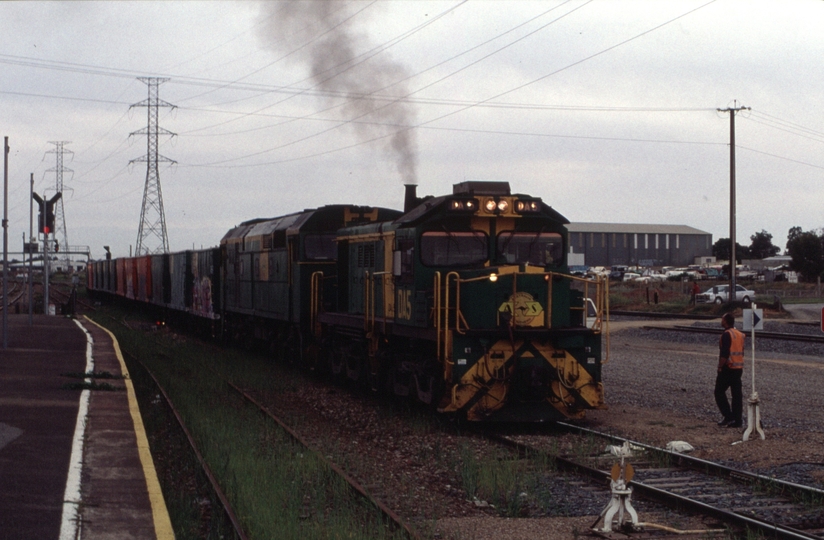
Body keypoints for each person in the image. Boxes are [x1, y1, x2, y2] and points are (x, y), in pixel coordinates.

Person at [715, 312, 744, 427]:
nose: (721, 321)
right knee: (737, 395)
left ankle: (728, 416)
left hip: (728, 368)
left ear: (726, 321)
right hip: (739, 368)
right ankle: (738, 420)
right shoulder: (740, 334)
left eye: (722, 319)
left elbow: (725, 353)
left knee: (719, 392)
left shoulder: (727, 334)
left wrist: (720, 366)